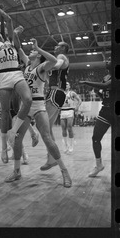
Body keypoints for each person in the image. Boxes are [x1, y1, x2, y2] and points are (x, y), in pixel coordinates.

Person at [4, 38, 72, 187]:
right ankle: (17, 171)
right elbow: (18, 47)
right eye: (31, 50)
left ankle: (64, 171)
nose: (31, 51)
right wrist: (15, 35)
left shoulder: (41, 67)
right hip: (26, 106)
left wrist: (38, 47)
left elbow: (54, 61)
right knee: (17, 138)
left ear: (39, 56)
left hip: (39, 105)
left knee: (47, 137)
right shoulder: (27, 65)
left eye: (33, 51)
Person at [0, 0, 32, 164]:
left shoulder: (13, 43)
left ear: (3, 36)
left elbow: (9, 21)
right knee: (4, 114)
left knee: (27, 101)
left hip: (16, 73)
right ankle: (4, 148)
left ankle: (17, 136)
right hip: (3, 76)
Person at [79, 57, 111, 177]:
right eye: (106, 60)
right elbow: (104, 95)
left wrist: (87, 82)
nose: (106, 61)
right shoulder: (105, 77)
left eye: (109, 59)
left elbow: (107, 85)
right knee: (95, 138)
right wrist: (98, 92)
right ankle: (99, 165)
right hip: (106, 110)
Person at [40, 41, 70, 171]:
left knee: (44, 126)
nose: (55, 46)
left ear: (63, 48)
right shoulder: (59, 57)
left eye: (58, 45)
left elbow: (57, 66)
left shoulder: (61, 57)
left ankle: (53, 159)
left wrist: (44, 65)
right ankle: (51, 159)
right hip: (55, 92)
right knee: (47, 128)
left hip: (56, 92)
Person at [60, 81, 82, 154]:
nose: (66, 85)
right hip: (62, 111)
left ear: (69, 86)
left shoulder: (72, 93)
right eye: (65, 84)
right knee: (63, 128)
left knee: (69, 127)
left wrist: (77, 107)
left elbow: (79, 100)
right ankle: (65, 146)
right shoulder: (60, 93)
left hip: (70, 111)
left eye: (67, 84)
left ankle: (71, 145)